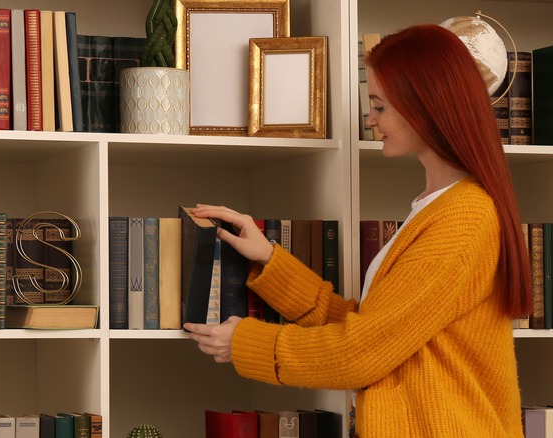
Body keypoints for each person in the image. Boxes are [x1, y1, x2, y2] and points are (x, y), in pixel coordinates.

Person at [184, 23, 532, 437]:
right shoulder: (438, 206)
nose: (370, 118)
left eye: (379, 106)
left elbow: (361, 352)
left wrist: (245, 343)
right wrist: (271, 260)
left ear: (426, 106)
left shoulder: (464, 219)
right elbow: (372, 327)